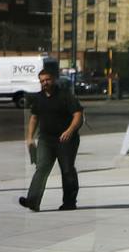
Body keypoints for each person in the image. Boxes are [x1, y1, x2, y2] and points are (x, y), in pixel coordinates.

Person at [19, 66, 82, 212]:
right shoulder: (38, 98)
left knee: (67, 170)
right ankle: (32, 201)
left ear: (53, 80)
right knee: (41, 168)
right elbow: (34, 118)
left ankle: (69, 202)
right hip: (46, 139)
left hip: (66, 139)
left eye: (47, 80)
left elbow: (78, 115)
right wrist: (29, 138)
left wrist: (70, 131)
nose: (45, 83)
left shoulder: (65, 95)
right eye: (42, 81)